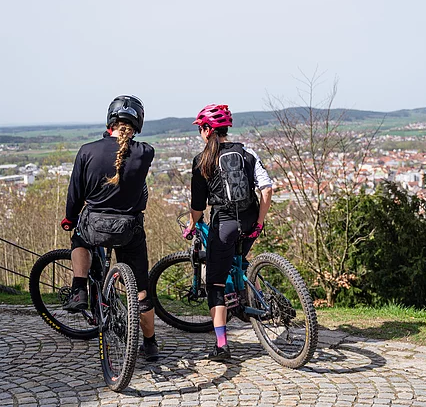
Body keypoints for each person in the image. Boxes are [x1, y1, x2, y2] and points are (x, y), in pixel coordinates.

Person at [60, 95, 159, 361]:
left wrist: (70, 218)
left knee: (79, 239)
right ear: (137, 124)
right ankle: (150, 345)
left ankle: (79, 287)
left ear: (110, 121)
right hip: (129, 229)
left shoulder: (87, 150)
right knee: (141, 291)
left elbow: (75, 193)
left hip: (94, 225)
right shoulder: (145, 152)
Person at [183, 104, 273, 361]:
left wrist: (191, 226)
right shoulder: (247, 152)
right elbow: (266, 190)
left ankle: (222, 345)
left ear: (207, 130)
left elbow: (198, 207)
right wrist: (259, 221)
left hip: (223, 225)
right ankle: (252, 300)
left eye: (201, 128)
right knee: (241, 261)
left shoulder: (202, 160)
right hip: (250, 220)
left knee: (215, 284)